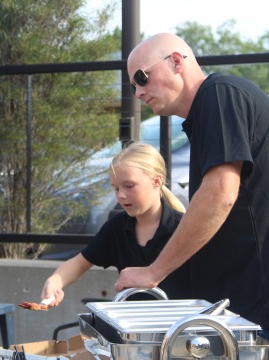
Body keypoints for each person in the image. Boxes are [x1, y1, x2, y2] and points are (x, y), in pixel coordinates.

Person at [115, 33, 269, 335]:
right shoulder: (206, 112)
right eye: (133, 86)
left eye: (142, 77)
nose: (138, 92)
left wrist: (153, 273)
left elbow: (220, 194)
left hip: (258, 300)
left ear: (176, 62)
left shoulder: (219, 93)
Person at [41, 142, 191, 306]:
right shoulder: (116, 228)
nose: (121, 195)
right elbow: (78, 264)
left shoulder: (185, 227)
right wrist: (54, 282)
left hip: (178, 326)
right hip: (130, 326)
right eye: (116, 188)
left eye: (129, 186)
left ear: (156, 181)